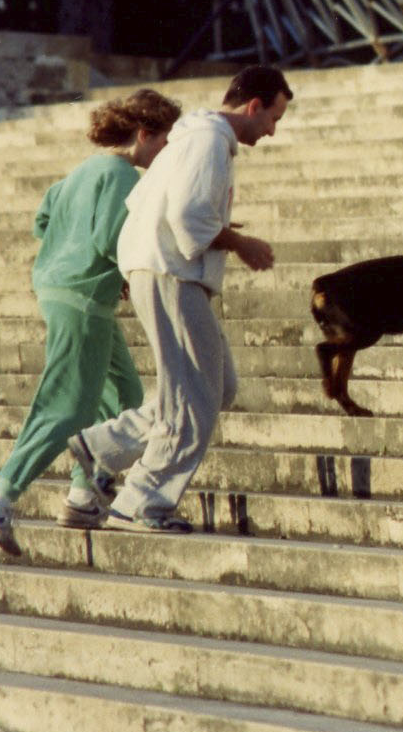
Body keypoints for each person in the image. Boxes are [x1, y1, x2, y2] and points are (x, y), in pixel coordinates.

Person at [67, 65, 292, 533]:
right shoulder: (207, 140)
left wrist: (221, 234)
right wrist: (239, 243)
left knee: (217, 385)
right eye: (274, 117)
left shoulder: (194, 137)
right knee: (193, 399)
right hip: (170, 271)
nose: (272, 131)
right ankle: (142, 504)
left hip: (163, 267)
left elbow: (153, 204)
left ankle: (103, 447)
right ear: (254, 105)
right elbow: (189, 217)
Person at [0, 88, 183, 556]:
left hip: (69, 292)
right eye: (165, 141)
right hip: (83, 300)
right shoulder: (123, 175)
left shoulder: (82, 170)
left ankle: (84, 496)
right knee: (67, 406)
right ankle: (0, 497)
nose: (166, 153)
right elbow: (113, 239)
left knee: (123, 392)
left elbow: (42, 220)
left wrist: (72, 250)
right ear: (144, 135)